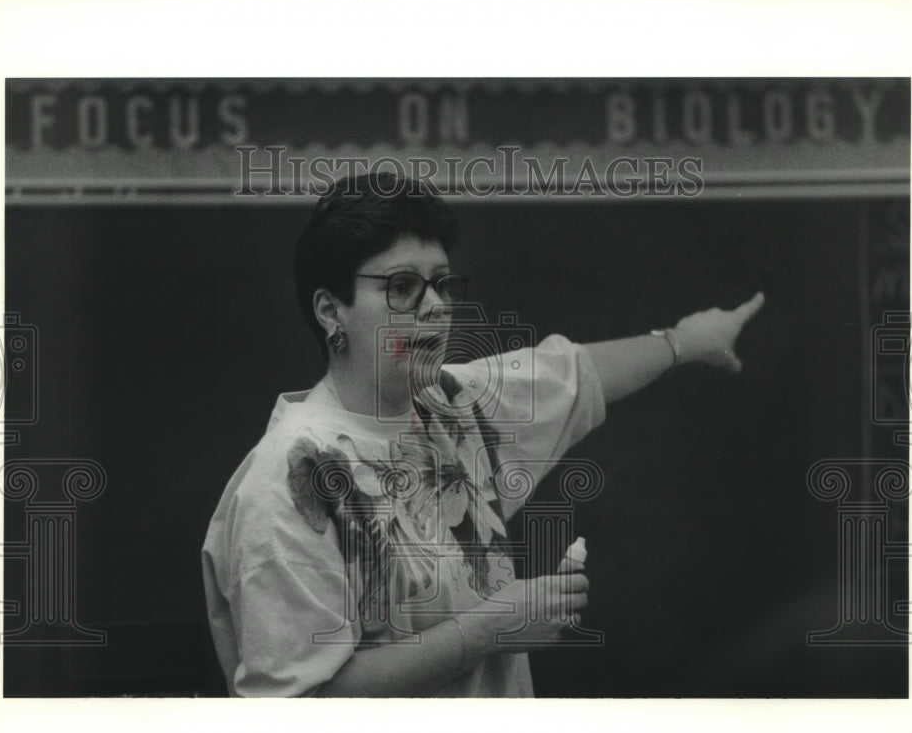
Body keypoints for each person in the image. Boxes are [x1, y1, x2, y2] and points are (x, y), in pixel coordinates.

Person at [201, 171, 765, 697]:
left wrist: (686, 342)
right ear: (331, 310)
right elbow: (302, 706)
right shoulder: (287, 482)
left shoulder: (448, 404)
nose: (435, 308)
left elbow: (573, 374)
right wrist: (497, 624)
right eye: (401, 286)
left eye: (441, 285)